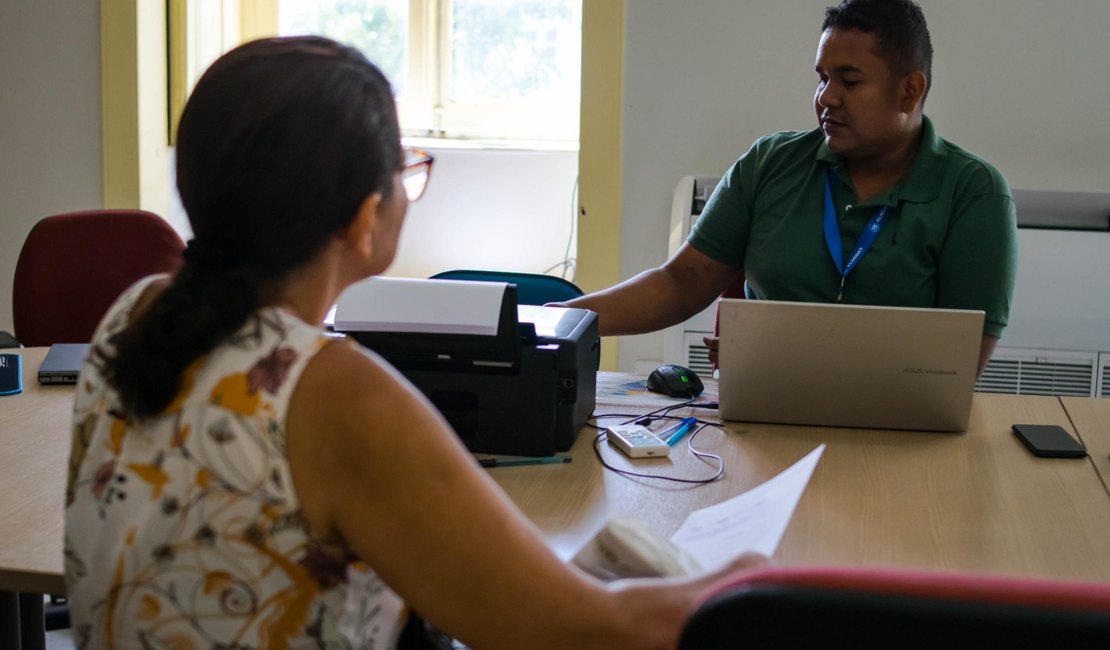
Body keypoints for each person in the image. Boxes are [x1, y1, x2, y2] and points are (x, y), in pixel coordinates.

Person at [63, 37, 763, 649]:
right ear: (367, 218)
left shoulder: (135, 314)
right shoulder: (335, 395)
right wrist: (741, 583)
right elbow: (582, 631)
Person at [562, 0, 1016, 375]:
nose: (826, 97)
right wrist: (564, 319)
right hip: (761, 421)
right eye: (822, 78)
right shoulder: (770, 163)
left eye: (849, 80)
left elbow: (956, 363)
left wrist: (781, 357)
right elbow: (681, 283)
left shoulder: (973, 192)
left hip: (898, 434)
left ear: (910, 91)